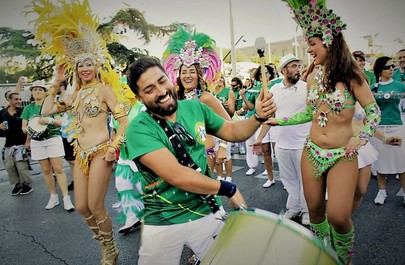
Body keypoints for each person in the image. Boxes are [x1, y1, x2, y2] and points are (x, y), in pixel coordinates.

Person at [126, 56, 276, 265]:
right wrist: (228, 188)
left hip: (206, 209)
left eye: (161, 81)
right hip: (164, 218)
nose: (161, 92)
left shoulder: (195, 108)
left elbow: (231, 130)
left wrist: (257, 117)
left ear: (169, 78)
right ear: (139, 98)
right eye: (149, 90)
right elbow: (177, 175)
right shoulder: (138, 129)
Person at [275, 1, 381, 264]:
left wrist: (362, 136)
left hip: (342, 154)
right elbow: (310, 113)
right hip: (311, 152)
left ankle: (343, 257)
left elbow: (373, 112)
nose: (308, 49)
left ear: (329, 41)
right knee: (315, 213)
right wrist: (281, 121)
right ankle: (324, 253)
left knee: (338, 216)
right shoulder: (311, 76)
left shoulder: (352, 75)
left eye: (312, 43)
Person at [31, 1, 129, 264]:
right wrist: (57, 81)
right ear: (76, 69)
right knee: (83, 207)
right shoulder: (74, 94)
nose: (85, 68)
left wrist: (113, 146)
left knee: (96, 206)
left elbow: (124, 121)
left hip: (101, 152)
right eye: (80, 65)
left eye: (89, 64)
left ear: (96, 66)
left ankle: (109, 249)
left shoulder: (104, 90)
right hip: (80, 153)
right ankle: (105, 242)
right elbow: (46, 110)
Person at [255, 54, 311, 225]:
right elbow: (269, 117)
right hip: (282, 144)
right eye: (293, 66)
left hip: (303, 143)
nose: (297, 69)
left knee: (306, 180)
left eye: (298, 66)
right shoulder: (274, 91)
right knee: (288, 179)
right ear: (284, 70)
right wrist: (259, 138)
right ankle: (294, 208)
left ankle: (307, 210)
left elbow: (313, 114)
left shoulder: (307, 87)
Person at [21, 80, 74, 211]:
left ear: (45, 93)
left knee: (59, 169)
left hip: (52, 138)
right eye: (34, 90)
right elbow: (23, 126)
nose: (37, 92)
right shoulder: (28, 108)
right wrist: (29, 129)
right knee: (45, 170)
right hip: (37, 141)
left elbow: (62, 121)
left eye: (40, 90)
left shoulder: (53, 105)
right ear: (32, 93)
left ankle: (66, 198)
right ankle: (53, 196)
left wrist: (48, 120)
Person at [371, 56, 405, 206]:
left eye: (392, 66)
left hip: (396, 127)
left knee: (401, 161)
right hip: (379, 130)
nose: (391, 69)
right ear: (380, 70)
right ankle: (381, 191)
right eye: (387, 67)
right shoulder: (373, 87)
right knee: (380, 162)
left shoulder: (400, 85)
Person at [0, 90, 33, 196]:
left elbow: (29, 127)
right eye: (16, 99)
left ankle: (26, 185)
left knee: (21, 166)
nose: (19, 101)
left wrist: (28, 142)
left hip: (21, 143)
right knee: (9, 166)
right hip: (9, 143)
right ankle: (17, 184)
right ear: (9, 100)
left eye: (19, 99)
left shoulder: (23, 111)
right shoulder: (2, 113)